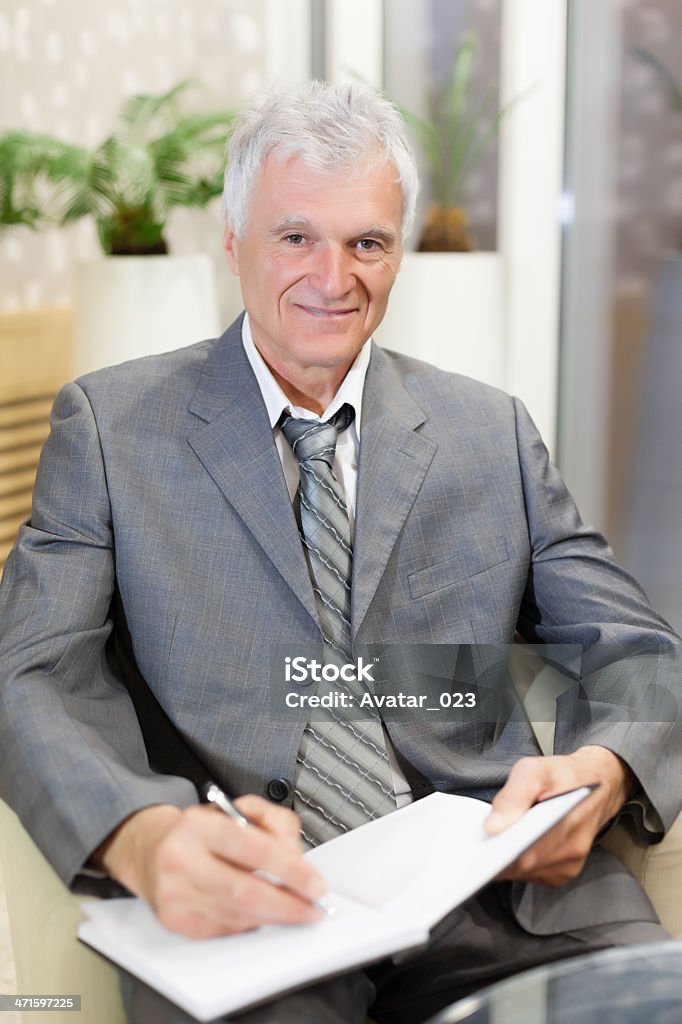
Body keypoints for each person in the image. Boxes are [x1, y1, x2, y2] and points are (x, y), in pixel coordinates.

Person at [0, 80, 680, 1024]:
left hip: (507, 894)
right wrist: (145, 838)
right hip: (253, 909)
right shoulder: (111, 431)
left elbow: (641, 649)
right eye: (296, 238)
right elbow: (30, 670)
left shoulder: (491, 432)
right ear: (233, 245)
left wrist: (602, 772)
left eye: (367, 242)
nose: (334, 276)